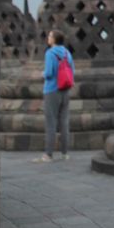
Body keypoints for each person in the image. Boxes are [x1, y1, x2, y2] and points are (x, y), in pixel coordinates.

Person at [34, 30, 73, 163]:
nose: (48, 38)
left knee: (51, 123)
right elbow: (72, 70)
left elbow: (49, 73)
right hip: (65, 89)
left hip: (52, 90)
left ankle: (48, 155)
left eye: (50, 36)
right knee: (64, 122)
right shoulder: (67, 53)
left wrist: (42, 74)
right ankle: (65, 153)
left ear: (54, 39)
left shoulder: (50, 53)